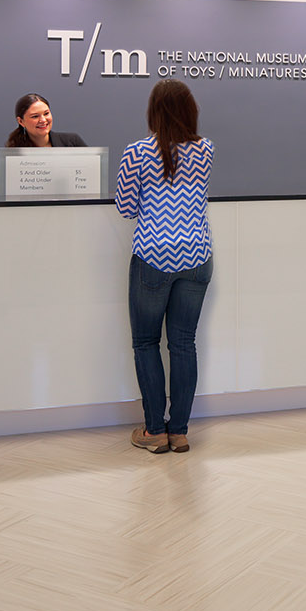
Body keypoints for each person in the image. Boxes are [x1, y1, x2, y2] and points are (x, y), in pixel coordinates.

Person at [115, 79, 214, 454]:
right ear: (190, 110)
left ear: (153, 110)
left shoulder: (137, 152)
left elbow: (125, 208)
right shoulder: (206, 149)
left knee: (145, 343)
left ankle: (155, 431)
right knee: (184, 344)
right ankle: (181, 431)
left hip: (153, 256)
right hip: (197, 254)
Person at [6, 93, 86, 147]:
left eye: (46, 113)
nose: (43, 120)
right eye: (35, 116)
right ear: (21, 121)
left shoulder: (72, 142)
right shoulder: (15, 151)